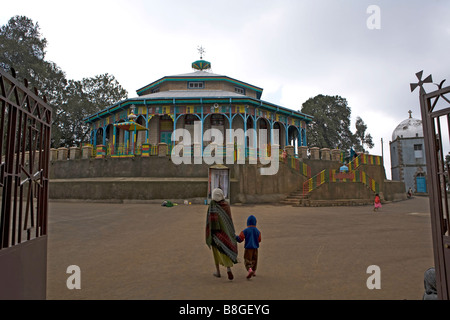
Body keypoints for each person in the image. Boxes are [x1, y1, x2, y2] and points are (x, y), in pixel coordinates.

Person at [205, 188, 238, 280]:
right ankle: (228, 269)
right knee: (225, 251)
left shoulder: (212, 205)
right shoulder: (226, 205)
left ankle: (218, 271)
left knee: (216, 253)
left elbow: (210, 221)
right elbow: (229, 220)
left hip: (215, 235)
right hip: (225, 234)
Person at [236, 215, 261, 279]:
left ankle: (249, 269)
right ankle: (254, 271)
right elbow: (259, 240)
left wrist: (235, 237)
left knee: (247, 259)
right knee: (254, 259)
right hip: (255, 248)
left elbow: (240, 239)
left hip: (248, 248)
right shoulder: (258, 231)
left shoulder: (245, 231)